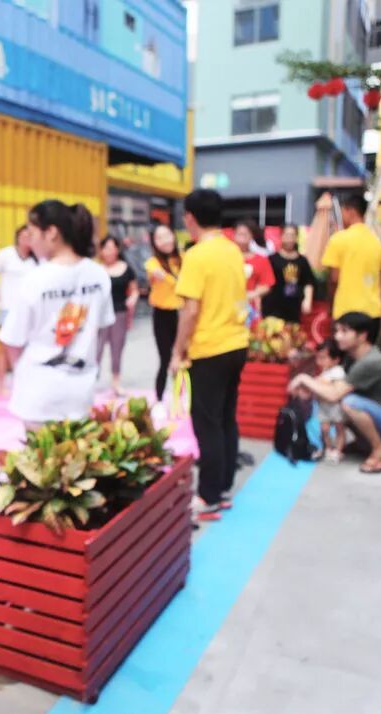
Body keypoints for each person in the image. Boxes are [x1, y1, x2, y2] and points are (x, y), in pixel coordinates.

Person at [0, 200, 114, 428]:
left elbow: (12, 339)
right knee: (76, 449)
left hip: (39, 390)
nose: (30, 241)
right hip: (81, 388)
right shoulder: (98, 274)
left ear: (51, 233)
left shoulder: (35, 278)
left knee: (40, 450)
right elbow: (102, 330)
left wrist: (22, 372)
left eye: (32, 233)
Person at [171, 190, 249, 522]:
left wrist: (177, 351)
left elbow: (190, 310)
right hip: (236, 344)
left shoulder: (197, 255)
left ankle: (209, 496)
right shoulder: (232, 250)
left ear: (190, 217)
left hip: (209, 348)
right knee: (226, 418)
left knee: (207, 423)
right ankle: (223, 487)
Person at [289, 312, 381, 473]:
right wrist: (309, 389)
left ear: (362, 336)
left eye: (344, 331)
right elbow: (333, 388)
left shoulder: (370, 362)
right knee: (343, 400)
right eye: (337, 331)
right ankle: (363, 443)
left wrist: (303, 378)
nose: (337, 336)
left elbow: (334, 394)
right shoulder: (353, 357)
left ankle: (380, 454)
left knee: (349, 403)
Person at [321, 193, 381, 340]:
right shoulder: (377, 243)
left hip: (346, 312)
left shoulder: (338, 240)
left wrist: (330, 306)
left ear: (351, 211)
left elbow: (333, 279)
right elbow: (379, 280)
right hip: (372, 312)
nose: (342, 216)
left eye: (343, 212)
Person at [0, 225, 38, 397]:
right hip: (7, 309)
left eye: (30, 237)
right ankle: (1, 385)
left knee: (27, 349)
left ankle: (22, 383)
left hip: (28, 310)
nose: (27, 240)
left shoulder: (36, 259)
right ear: (17, 238)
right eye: (24, 236)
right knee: (4, 349)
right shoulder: (5, 255)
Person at [95, 236, 139, 396]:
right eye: (105, 248)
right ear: (101, 251)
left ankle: (116, 382)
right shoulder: (96, 269)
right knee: (95, 348)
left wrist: (132, 299)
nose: (108, 251)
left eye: (111, 248)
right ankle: (91, 379)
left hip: (119, 312)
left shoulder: (126, 268)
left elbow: (134, 290)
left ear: (117, 249)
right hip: (99, 315)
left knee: (117, 348)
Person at [145, 225, 182, 401]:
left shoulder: (183, 259)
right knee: (165, 358)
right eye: (159, 238)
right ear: (154, 242)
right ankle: (159, 399)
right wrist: (174, 280)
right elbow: (154, 271)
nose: (164, 240)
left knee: (183, 358)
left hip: (182, 314)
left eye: (167, 235)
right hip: (162, 315)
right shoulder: (153, 263)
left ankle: (181, 397)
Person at [262, 224, 315, 323]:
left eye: (292, 235)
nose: (289, 239)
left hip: (293, 306)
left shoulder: (302, 261)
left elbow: (308, 282)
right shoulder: (272, 259)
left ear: (296, 238)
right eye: (286, 235)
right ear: (281, 237)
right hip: (273, 305)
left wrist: (307, 300)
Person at [308, 338, 347, 464]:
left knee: (339, 428)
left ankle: (338, 451)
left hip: (335, 406)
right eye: (318, 357)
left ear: (336, 360)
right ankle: (329, 448)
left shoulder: (338, 371)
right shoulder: (324, 371)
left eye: (323, 358)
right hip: (323, 406)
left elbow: (326, 384)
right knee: (324, 429)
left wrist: (314, 382)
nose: (319, 361)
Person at [233, 220, 276, 318]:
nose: (242, 236)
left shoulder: (261, 260)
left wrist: (252, 294)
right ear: (234, 235)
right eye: (240, 233)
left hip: (250, 307)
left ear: (252, 236)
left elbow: (267, 284)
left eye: (246, 234)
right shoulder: (225, 258)